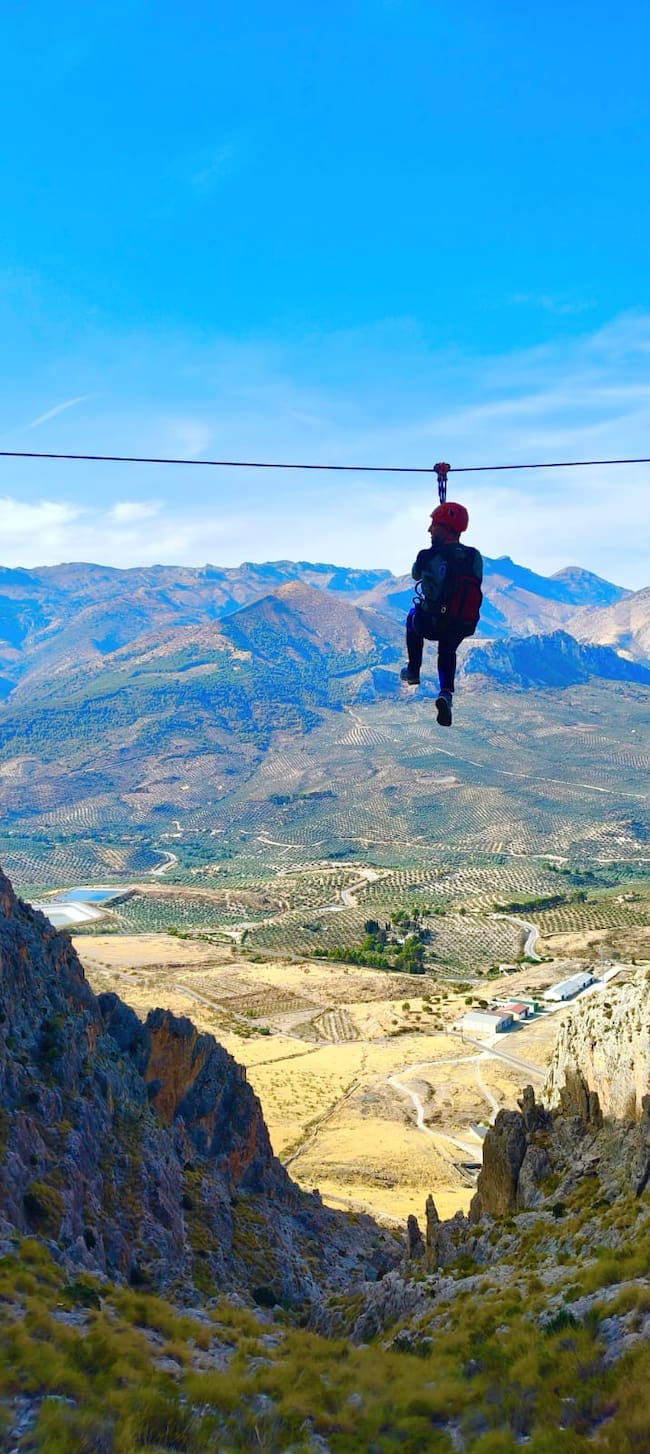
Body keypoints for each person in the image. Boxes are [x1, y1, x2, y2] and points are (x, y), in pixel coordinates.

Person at [400, 501, 483, 727]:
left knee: (411, 618)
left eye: (434, 525)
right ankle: (446, 693)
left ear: (445, 528)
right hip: (463, 622)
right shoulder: (474, 556)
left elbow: (415, 574)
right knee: (447, 649)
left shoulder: (427, 556)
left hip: (433, 621)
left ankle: (413, 670)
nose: (429, 530)